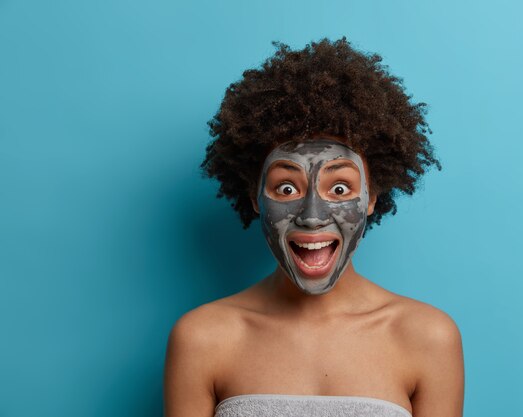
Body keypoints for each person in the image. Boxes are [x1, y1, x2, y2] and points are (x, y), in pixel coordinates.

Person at [163, 37, 464, 417]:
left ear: (371, 197)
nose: (312, 215)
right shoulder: (202, 338)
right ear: (256, 197)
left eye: (340, 188)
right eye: (286, 187)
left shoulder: (427, 336)